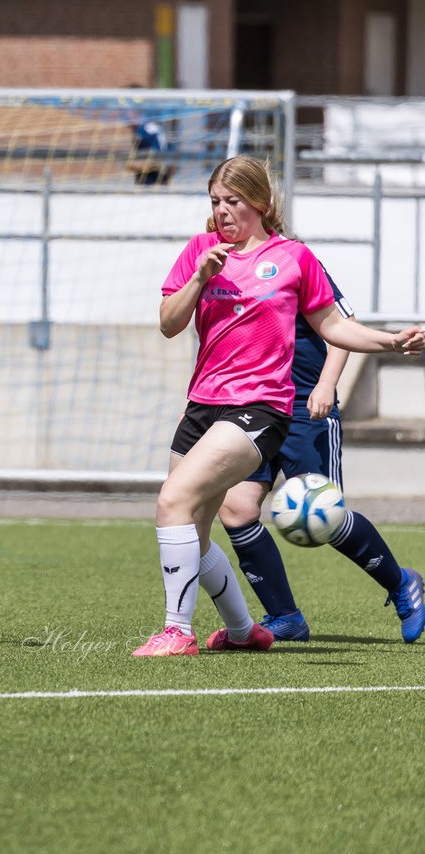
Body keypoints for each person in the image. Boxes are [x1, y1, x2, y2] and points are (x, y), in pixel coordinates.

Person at [134, 154, 424, 657]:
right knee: (200, 525)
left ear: (262, 203)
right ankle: (253, 628)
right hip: (202, 406)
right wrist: (199, 277)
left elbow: (334, 326)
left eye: (233, 202)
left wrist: (389, 343)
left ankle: (178, 631)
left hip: (264, 407)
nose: (222, 212)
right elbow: (168, 322)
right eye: (215, 202)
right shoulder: (201, 251)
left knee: (176, 501)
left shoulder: (294, 257)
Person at [218, 274, 424, 643]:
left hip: (304, 409)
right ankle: (286, 616)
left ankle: (402, 583)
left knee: (325, 515)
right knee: (236, 508)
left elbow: (344, 328)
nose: (224, 215)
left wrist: (327, 383)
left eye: (235, 210)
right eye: (217, 211)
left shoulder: (297, 261)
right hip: (249, 408)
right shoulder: (227, 272)